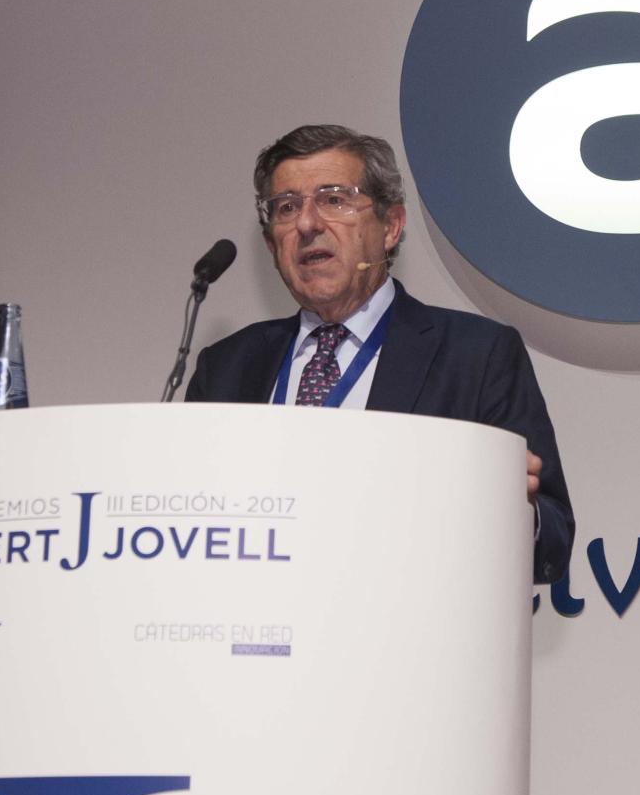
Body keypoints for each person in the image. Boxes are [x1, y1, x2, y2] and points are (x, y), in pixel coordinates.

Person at [186, 124, 575, 584]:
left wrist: (512, 510)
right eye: (287, 207)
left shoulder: (476, 354)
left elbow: (553, 543)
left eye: (334, 199)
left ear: (390, 226)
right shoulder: (226, 367)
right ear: (272, 244)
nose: (307, 224)